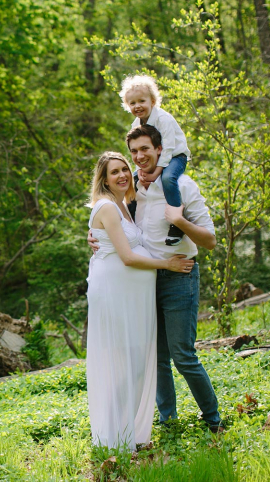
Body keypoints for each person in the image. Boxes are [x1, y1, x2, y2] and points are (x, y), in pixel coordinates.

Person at [91, 125, 223, 433]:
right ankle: (168, 420)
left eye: (145, 149)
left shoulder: (182, 186)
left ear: (159, 150)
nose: (139, 157)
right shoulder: (131, 189)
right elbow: (115, 226)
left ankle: (213, 420)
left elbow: (211, 241)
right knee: (157, 356)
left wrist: (179, 220)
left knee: (182, 354)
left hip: (180, 277)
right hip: (144, 281)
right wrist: (95, 235)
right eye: (134, 151)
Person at [86, 151, 194, 450]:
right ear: (103, 179)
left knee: (134, 363)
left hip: (131, 295)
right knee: (123, 363)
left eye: (124, 169)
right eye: (114, 172)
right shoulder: (108, 207)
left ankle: (128, 433)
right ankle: (114, 437)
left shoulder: (123, 204)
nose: (122, 175)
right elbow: (128, 257)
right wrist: (168, 265)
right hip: (116, 294)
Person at [120, 75, 191, 246]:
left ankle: (176, 222)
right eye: (132, 103)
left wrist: (156, 173)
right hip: (155, 158)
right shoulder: (136, 123)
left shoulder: (163, 119)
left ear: (152, 101)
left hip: (175, 156)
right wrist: (142, 170)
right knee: (132, 180)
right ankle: (129, 222)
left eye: (141, 101)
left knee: (167, 179)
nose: (137, 106)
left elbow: (167, 150)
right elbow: (137, 147)